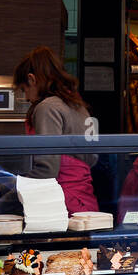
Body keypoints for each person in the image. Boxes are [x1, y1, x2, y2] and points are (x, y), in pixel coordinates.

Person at [12, 46, 98, 214]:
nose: (27, 97)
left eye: (24, 89)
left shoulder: (47, 108)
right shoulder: (80, 106)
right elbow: (93, 157)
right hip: (85, 202)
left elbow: (46, 170)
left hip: (59, 204)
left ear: (32, 79)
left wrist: (0, 203)